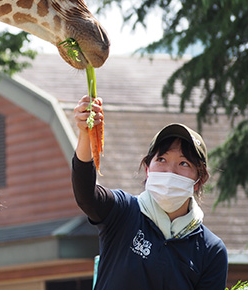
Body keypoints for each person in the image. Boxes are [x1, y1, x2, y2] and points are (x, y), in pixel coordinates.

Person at [72, 95, 228, 289]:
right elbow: (86, 195)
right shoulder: (123, 212)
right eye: (161, 159)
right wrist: (85, 135)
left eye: (183, 163)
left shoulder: (210, 250)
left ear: (199, 181)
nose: (170, 171)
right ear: (147, 169)